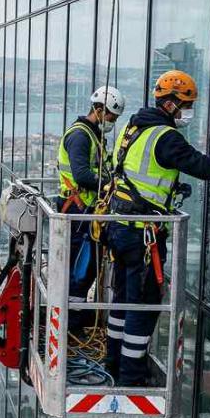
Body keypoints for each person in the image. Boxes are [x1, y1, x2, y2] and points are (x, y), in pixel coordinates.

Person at [106, 70, 210, 385]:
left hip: (120, 226)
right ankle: (131, 375)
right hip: (143, 234)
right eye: (186, 106)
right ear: (171, 104)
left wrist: (170, 190)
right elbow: (207, 168)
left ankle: (113, 362)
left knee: (122, 298)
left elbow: (135, 173)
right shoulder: (166, 137)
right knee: (143, 303)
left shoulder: (133, 127)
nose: (186, 113)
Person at [57, 86, 125, 334]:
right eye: (111, 117)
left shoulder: (93, 135)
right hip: (77, 210)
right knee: (80, 267)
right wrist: (110, 185)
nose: (112, 122)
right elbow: (82, 175)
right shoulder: (80, 136)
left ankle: (74, 320)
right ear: (98, 110)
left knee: (86, 267)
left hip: (86, 210)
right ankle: (72, 324)